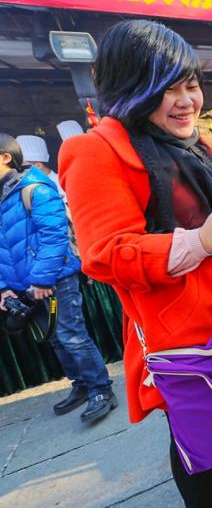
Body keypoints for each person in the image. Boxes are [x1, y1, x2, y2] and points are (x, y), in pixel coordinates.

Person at [58, 20, 212, 507]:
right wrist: (200, 240)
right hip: (183, 331)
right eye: (167, 88)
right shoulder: (93, 150)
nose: (187, 100)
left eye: (191, 84)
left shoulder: (190, 141)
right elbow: (105, 254)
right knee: (197, 434)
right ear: (131, 88)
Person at [0, 133, 116, 422]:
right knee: (54, 339)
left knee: (72, 335)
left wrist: (41, 280)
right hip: (23, 287)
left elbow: (54, 237)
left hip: (54, 280)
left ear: (5, 157)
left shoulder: (35, 188)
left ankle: (101, 389)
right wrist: (3, 289)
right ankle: (81, 384)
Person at [16, 135, 66, 200]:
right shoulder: (22, 185)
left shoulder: (61, 183)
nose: (18, 170)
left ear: (38, 165)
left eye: (23, 167)